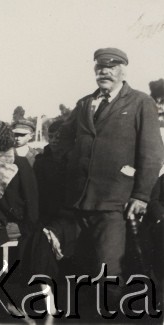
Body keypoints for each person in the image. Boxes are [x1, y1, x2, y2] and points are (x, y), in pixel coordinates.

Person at [58, 47, 164, 310]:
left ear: (123, 70)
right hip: (80, 201)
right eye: (99, 67)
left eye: (111, 67)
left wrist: (140, 195)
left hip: (115, 202)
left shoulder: (141, 102)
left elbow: (152, 154)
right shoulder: (85, 103)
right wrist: (72, 161)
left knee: (110, 268)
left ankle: (113, 316)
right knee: (82, 266)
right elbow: (62, 138)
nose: (104, 71)